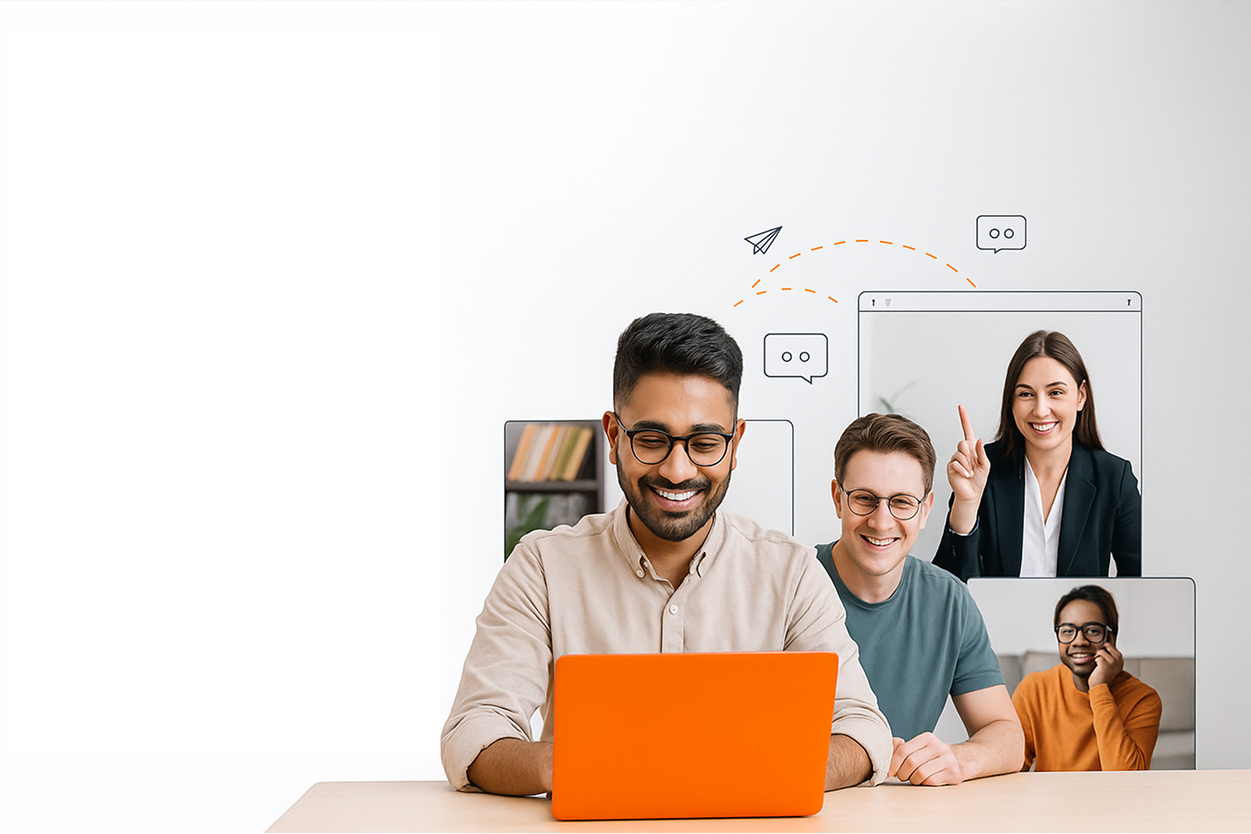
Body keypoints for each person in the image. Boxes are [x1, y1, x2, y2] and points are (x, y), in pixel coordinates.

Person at [441, 312, 893, 796]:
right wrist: (568, 763)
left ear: (735, 444)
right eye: (653, 440)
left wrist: (769, 769)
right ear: (614, 437)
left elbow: (862, 728)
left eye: (704, 443)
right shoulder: (542, 567)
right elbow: (475, 729)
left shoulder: (791, 571)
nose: (678, 471)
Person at [815, 413, 1023, 786]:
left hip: (901, 812)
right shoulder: (792, 583)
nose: (882, 521)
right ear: (837, 499)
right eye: (864, 499)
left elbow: (1007, 735)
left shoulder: (948, 601)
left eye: (901, 502)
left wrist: (959, 758)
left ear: (925, 509)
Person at [934, 330, 1141, 580]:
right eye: (1026, 394)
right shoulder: (982, 469)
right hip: (995, 620)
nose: (1041, 410)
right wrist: (966, 504)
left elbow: (1140, 585)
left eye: (1056, 392)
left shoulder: (1115, 479)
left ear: (1081, 396)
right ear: (1011, 402)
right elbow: (947, 589)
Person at [1013, 585, 1161, 771]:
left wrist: (1099, 688)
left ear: (1112, 637)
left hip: (1111, 799)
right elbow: (1013, 771)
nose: (1079, 641)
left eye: (1092, 631)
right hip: (1052, 799)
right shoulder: (1033, 689)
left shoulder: (1143, 699)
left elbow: (1127, 780)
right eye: (1067, 631)